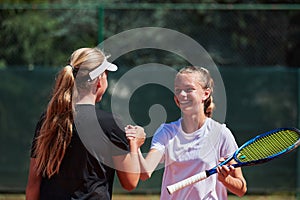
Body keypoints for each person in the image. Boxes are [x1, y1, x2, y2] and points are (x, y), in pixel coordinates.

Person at [26, 47, 145, 200]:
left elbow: (33, 183)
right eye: (106, 75)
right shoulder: (110, 123)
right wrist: (135, 143)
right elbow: (130, 182)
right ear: (99, 81)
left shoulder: (49, 120)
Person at [126, 66, 247, 199]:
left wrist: (225, 179)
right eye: (178, 90)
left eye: (189, 89)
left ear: (205, 94)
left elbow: (241, 189)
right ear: (176, 99)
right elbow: (145, 173)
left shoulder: (221, 133)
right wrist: (135, 145)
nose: (183, 95)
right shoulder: (166, 132)